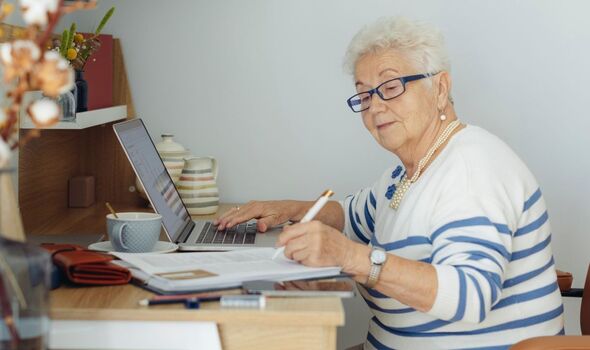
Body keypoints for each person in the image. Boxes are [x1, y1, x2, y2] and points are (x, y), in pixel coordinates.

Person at [215, 17, 563, 349]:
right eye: (364, 95)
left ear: (440, 88)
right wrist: (286, 210)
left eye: (391, 86)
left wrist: (349, 256)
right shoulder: (407, 173)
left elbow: (470, 295)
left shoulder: (472, 169)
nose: (375, 107)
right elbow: (350, 217)